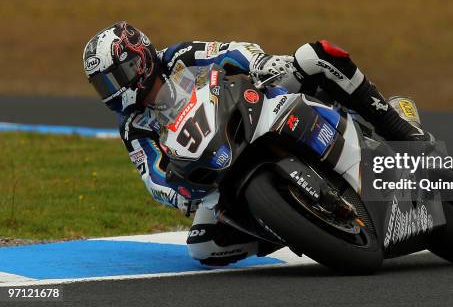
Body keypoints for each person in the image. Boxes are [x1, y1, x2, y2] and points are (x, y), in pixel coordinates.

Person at [83, 21, 433, 266]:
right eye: (102, 85)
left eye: (115, 78)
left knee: (316, 56)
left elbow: (230, 50)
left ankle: (397, 125)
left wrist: (261, 63)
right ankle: (286, 223)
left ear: (138, 60)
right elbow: (152, 177)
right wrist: (180, 195)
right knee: (204, 247)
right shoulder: (132, 126)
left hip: (257, 106)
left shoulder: (178, 57)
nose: (112, 91)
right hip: (217, 165)